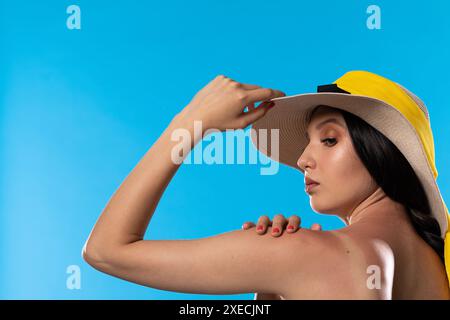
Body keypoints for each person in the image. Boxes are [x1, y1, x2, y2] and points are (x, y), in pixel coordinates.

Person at [82, 71, 450, 299]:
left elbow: (106, 251)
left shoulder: (309, 253)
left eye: (330, 139)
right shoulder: (437, 266)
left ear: (383, 152)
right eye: (308, 142)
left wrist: (189, 124)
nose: (303, 160)